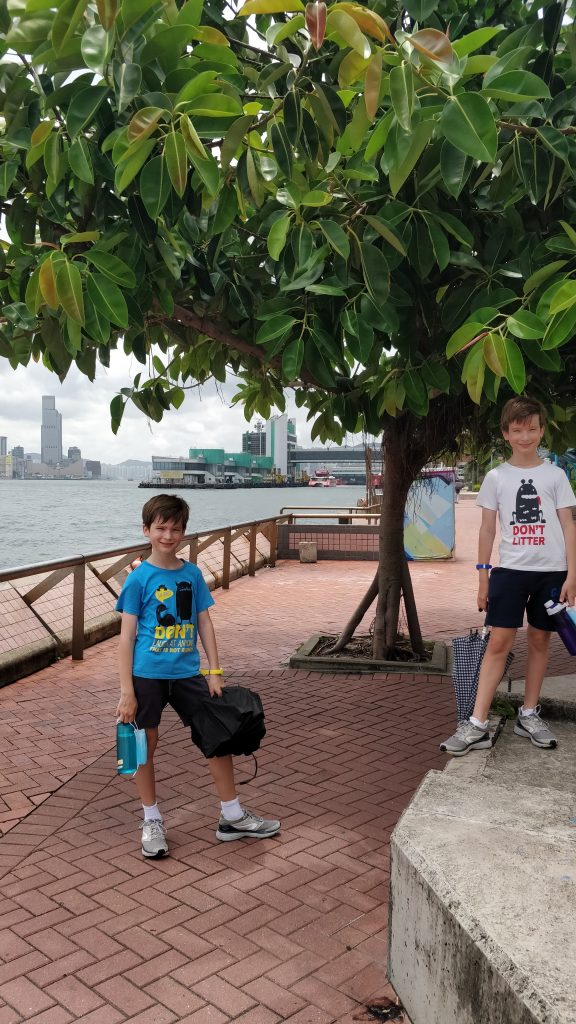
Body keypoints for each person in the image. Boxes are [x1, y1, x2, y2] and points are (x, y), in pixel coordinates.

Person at [116, 493, 280, 857]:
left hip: (188, 673)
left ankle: (232, 816)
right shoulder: (138, 579)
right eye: (161, 528)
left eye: (175, 529)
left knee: (217, 736)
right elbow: (126, 638)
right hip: (146, 676)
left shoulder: (191, 574)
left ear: (184, 532)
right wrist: (127, 691)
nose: (168, 536)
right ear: (146, 530)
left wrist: (214, 671)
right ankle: (151, 820)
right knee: (144, 746)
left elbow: (204, 622)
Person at [441, 397, 576, 756]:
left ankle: (529, 714)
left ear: (542, 430)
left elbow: (568, 525)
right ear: (506, 433)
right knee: (499, 642)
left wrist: (573, 574)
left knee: (540, 641)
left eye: (532, 428)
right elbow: (487, 530)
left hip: (552, 572)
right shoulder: (496, 477)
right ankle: (477, 723)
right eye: (517, 430)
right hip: (510, 571)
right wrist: (482, 576)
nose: (525, 436)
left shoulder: (555, 476)